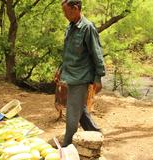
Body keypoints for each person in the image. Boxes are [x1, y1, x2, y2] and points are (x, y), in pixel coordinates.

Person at [60, 0, 106, 147]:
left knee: (72, 115)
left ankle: (67, 147)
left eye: (66, 12)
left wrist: (98, 78)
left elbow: (97, 54)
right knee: (80, 110)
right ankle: (96, 134)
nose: (65, 15)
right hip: (70, 74)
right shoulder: (71, 27)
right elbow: (68, 53)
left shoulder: (88, 28)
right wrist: (60, 70)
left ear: (75, 9)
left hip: (81, 77)